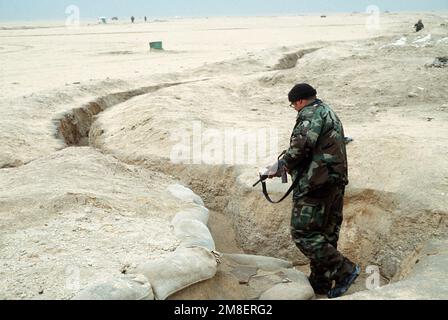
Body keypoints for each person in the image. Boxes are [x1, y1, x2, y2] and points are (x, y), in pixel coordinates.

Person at [266, 83, 360, 298]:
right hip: (333, 181)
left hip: (315, 182)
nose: (295, 109)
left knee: (303, 233)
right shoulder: (328, 112)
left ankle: (345, 270)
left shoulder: (309, 114)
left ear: (299, 101)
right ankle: (321, 283)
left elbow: (301, 146)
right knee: (325, 233)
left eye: (293, 105)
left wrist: (280, 166)